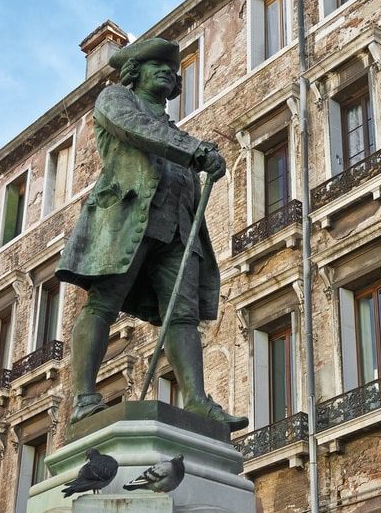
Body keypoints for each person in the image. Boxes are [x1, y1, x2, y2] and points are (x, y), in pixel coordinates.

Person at [56, 38, 248, 431]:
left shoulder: (173, 128)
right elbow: (136, 130)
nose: (166, 70)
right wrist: (195, 151)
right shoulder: (115, 101)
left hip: (178, 228)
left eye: (170, 67)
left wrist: (202, 165)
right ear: (135, 72)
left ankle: (196, 401)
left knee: (183, 315)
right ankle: (84, 399)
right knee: (101, 304)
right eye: (154, 64)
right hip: (126, 218)